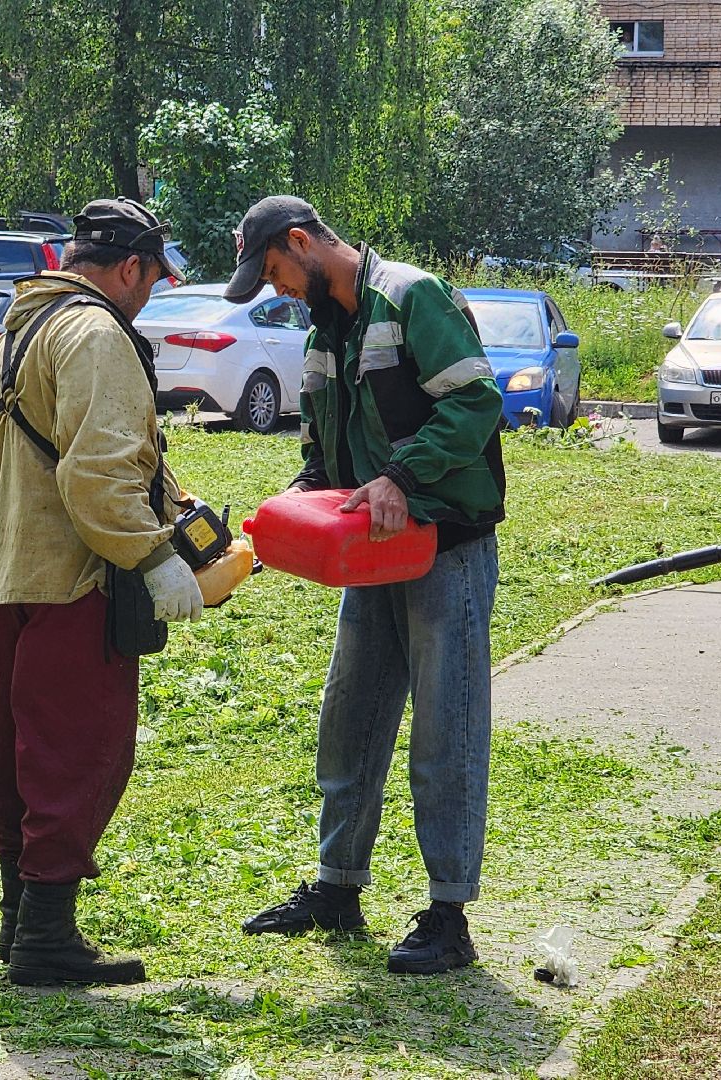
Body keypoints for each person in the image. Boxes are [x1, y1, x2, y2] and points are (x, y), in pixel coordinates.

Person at [223, 196, 505, 975]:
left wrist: (400, 477)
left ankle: (449, 915)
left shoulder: (414, 297)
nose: (276, 289)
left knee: (446, 729)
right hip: (371, 555)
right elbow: (322, 453)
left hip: (444, 546)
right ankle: (337, 887)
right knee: (350, 716)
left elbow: (478, 403)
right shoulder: (325, 333)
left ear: (303, 243)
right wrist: (295, 509)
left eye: (274, 271)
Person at [0, 197, 197, 987]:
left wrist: (174, 510)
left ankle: (16, 925)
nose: (151, 293)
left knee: (22, 757)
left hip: (15, 570)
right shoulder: (99, 332)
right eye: (152, 278)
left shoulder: (26, 324)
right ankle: (44, 940)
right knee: (76, 754)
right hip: (80, 576)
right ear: (131, 267)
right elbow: (99, 473)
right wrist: (154, 557)